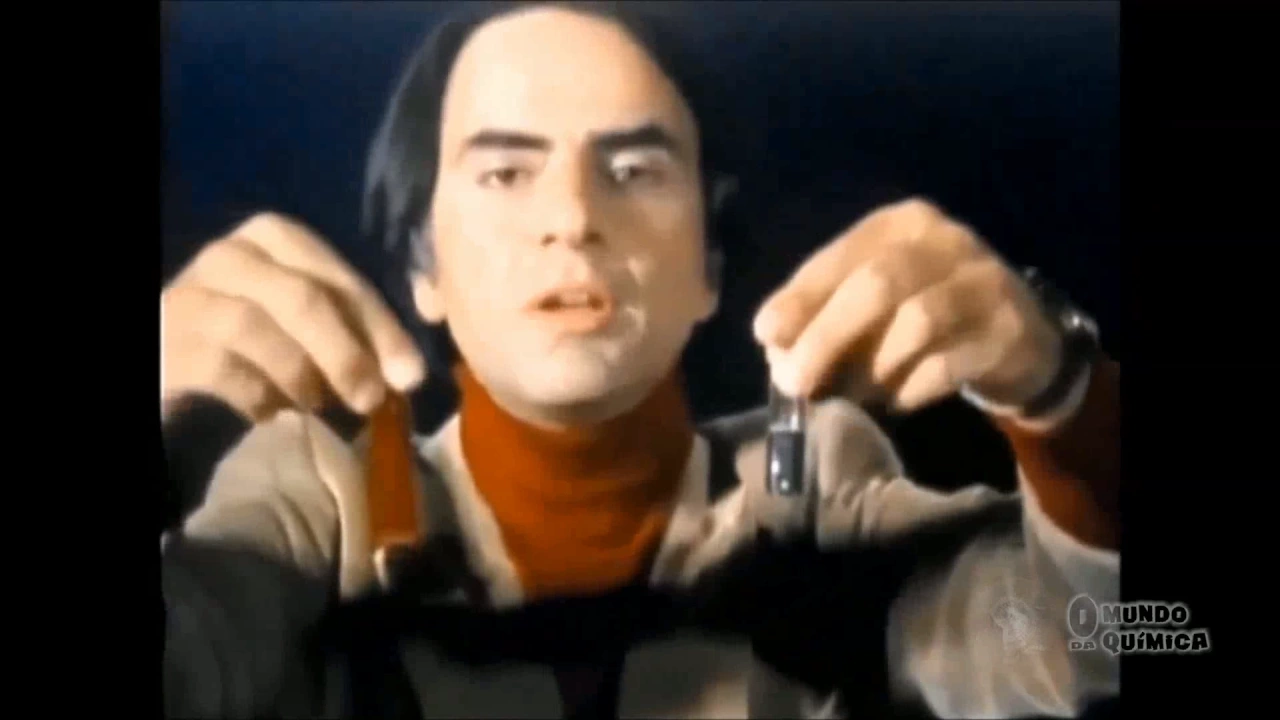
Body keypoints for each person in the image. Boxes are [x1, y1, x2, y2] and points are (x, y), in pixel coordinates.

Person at [159, 2, 1120, 718]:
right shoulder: (321, 504)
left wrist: (1066, 399)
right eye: (505, 172)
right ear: (423, 268)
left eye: (634, 170)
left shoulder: (815, 490)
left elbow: (1147, 636)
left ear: (709, 268)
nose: (573, 217)